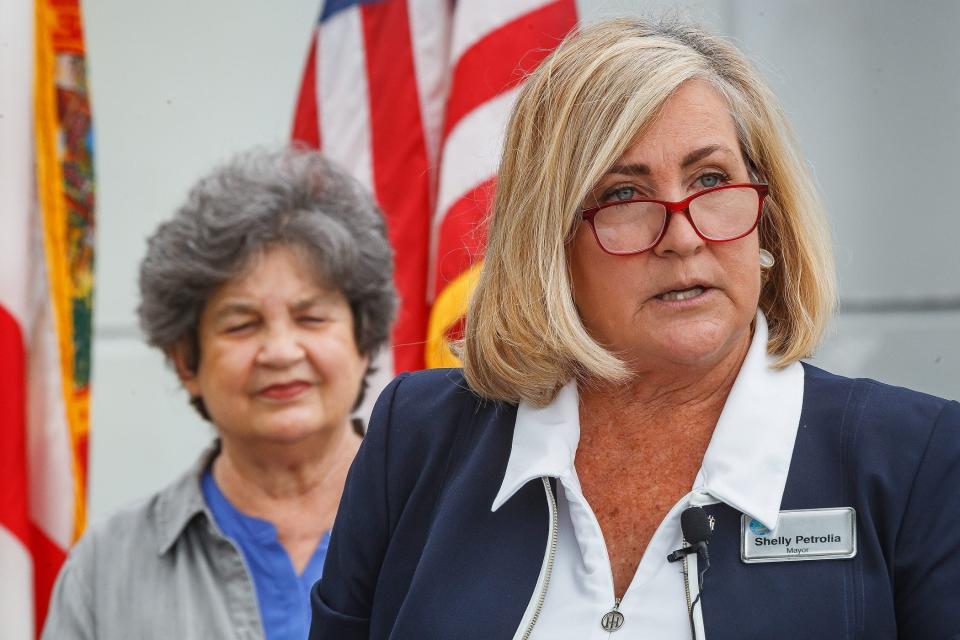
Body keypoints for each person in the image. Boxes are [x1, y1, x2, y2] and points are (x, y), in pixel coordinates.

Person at [309, 17, 960, 640]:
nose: (683, 235)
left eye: (711, 179)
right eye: (624, 194)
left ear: (767, 213)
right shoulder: (415, 440)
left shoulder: (917, 459)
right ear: (551, 240)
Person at [42, 146, 396, 640]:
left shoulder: (439, 532)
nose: (280, 350)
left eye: (311, 317)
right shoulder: (107, 566)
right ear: (187, 362)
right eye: (241, 324)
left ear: (364, 339)